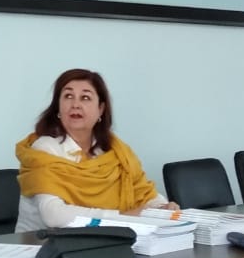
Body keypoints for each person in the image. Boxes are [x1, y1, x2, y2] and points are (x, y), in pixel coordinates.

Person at [15, 68, 178, 231]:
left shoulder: (116, 151)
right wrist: (124, 217)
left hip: (99, 239)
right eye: (68, 96)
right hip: (39, 243)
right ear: (58, 107)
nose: (75, 104)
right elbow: (54, 215)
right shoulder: (45, 149)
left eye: (85, 97)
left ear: (100, 109)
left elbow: (144, 194)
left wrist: (162, 208)